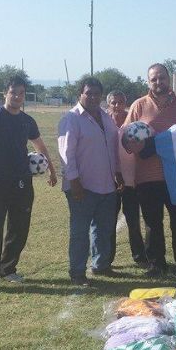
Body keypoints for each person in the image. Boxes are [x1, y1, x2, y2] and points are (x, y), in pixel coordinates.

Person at [0, 75, 57, 295]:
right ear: (5, 93)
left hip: (22, 182)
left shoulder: (27, 121)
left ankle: (8, 268)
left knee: (19, 228)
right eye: (13, 92)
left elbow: (40, 145)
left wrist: (51, 168)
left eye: (21, 93)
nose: (17, 96)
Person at [123, 63, 176, 280]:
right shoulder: (138, 106)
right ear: (148, 82)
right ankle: (157, 263)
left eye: (162, 78)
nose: (158, 82)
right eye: (154, 79)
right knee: (152, 223)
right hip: (147, 177)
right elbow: (126, 137)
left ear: (168, 80)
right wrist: (134, 144)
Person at [58, 77, 121, 286]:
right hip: (82, 187)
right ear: (80, 95)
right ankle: (77, 272)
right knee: (80, 231)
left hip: (107, 185)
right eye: (88, 93)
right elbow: (67, 154)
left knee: (103, 228)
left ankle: (101, 264)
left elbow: (112, 148)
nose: (93, 97)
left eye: (96, 93)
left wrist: (118, 172)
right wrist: (74, 181)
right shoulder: (72, 119)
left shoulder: (106, 117)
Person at [106, 90, 148, 267]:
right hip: (110, 181)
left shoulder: (132, 121)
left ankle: (139, 256)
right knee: (108, 220)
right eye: (113, 102)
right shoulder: (103, 121)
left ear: (125, 102)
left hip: (131, 180)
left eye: (120, 102)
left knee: (133, 220)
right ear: (108, 104)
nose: (117, 105)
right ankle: (106, 258)